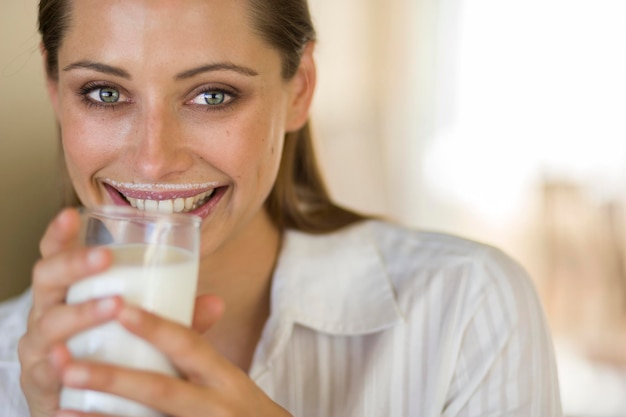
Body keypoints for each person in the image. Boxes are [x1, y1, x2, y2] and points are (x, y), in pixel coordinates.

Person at [0, 0, 562, 416]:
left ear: (299, 90)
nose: (153, 161)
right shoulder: (10, 366)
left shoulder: (466, 308)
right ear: (55, 86)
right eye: (103, 92)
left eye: (213, 94)